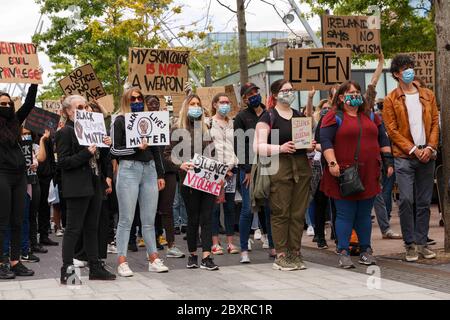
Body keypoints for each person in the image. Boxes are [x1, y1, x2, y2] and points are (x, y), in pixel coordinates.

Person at [320, 80, 394, 269]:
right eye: (351, 93)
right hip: (344, 173)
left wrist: (388, 162)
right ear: (342, 97)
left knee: (364, 215)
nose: (355, 95)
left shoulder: (370, 115)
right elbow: (326, 142)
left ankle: (365, 250)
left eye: (357, 92)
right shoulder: (333, 116)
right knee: (345, 214)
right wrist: (332, 162)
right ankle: (343, 252)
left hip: (369, 172)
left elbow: (383, 138)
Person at [383, 54, 440, 262]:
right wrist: (414, 149)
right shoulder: (391, 99)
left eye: (410, 67)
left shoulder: (427, 95)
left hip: (428, 155)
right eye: (404, 69)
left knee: (424, 201)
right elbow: (392, 129)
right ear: (397, 74)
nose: (409, 71)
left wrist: (431, 146)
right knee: (406, 199)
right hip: (405, 157)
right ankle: (410, 244)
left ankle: (422, 242)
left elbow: (435, 121)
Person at [56, 95, 116, 285]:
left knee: (93, 227)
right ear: (68, 111)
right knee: (74, 229)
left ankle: (95, 266)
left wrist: (106, 145)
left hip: (94, 183)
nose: (84, 109)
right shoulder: (65, 132)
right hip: (77, 186)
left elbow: (100, 158)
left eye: (85, 106)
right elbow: (64, 162)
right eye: (79, 106)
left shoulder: (93, 129)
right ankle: (67, 271)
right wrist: (85, 153)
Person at [254, 79, 313, 271]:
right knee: (281, 212)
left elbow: (305, 139)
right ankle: (280, 254)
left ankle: (295, 252)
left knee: (297, 213)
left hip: (301, 168)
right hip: (279, 168)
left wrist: (310, 145)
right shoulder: (267, 116)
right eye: (285, 90)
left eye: (291, 90)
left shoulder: (298, 115)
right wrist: (280, 147)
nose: (289, 93)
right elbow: (257, 146)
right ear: (275, 94)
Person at [111, 88, 168, 277]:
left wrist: (160, 174)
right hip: (128, 170)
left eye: (139, 98)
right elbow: (114, 150)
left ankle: (153, 257)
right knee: (126, 219)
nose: (136, 101)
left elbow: (158, 149)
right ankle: (122, 260)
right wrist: (134, 148)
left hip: (150, 170)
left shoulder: (150, 119)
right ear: (126, 100)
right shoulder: (119, 121)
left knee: (149, 220)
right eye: (132, 98)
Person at [164, 94, 219, 271]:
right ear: (186, 107)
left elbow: (213, 154)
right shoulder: (176, 129)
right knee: (193, 218)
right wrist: (181, 164)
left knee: (207, 218)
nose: (195, 107)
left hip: (208, 181)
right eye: (192, 104)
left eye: (198, 104)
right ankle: (193, 254)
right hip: (188, 182)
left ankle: (207, 257)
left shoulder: (206, 129)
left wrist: (219, 175)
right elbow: (167, 154)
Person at [0, 84, 38, 279]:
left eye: (8, 103)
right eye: (2, 104)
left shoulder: (15, 122)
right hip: (2, 175)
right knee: (2, 220)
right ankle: (1, 262)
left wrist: (34, 80)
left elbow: (30, 103)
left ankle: (15, 261)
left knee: (17, 219)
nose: (6, 106)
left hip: (19, 175)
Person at [145, 95, 185, 259]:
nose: (153, 106)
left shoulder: (169, 126)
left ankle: (171, 244)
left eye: (156, 103)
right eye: (150, 103)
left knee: (166, 208)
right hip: (149, 171)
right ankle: (152, 244)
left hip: (167, 170)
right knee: (150, 209)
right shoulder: (140, 126)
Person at [234, 83, 266, 264]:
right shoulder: (241, 117)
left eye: (255, 92)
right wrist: (246, 170)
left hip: (270, 165)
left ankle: (274, 246)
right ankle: (244, 249)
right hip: (249, 169)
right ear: (244, 99)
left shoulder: (269, 114)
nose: (253, 96)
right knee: (247, 209)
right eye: (249, 94)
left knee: (269, 208)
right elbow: (239, 146)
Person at [208, 93, 240, 255]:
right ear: (215, 104)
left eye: (227, 102)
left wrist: (230, 169)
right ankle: (214, 243)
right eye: (222, 102)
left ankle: (230, 242)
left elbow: (237, 147)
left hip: (231, 170)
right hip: (214, 171)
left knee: (229, 207)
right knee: (214, 208)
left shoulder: (234, 124)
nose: (225, 105)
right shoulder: (207, 123)